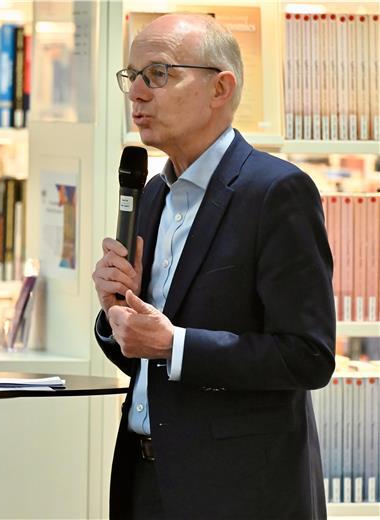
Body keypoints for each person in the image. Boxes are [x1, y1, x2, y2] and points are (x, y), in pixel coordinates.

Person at [92, 13, 334, 520]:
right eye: (131, 76)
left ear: (220, 88)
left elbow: (309, 356)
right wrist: (117, 319)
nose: (136, 93)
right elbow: (148, 360)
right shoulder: (153, 195)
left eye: (157, 74)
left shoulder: (276, 193)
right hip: (144, 477)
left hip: (239, 490)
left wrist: (173, 344)